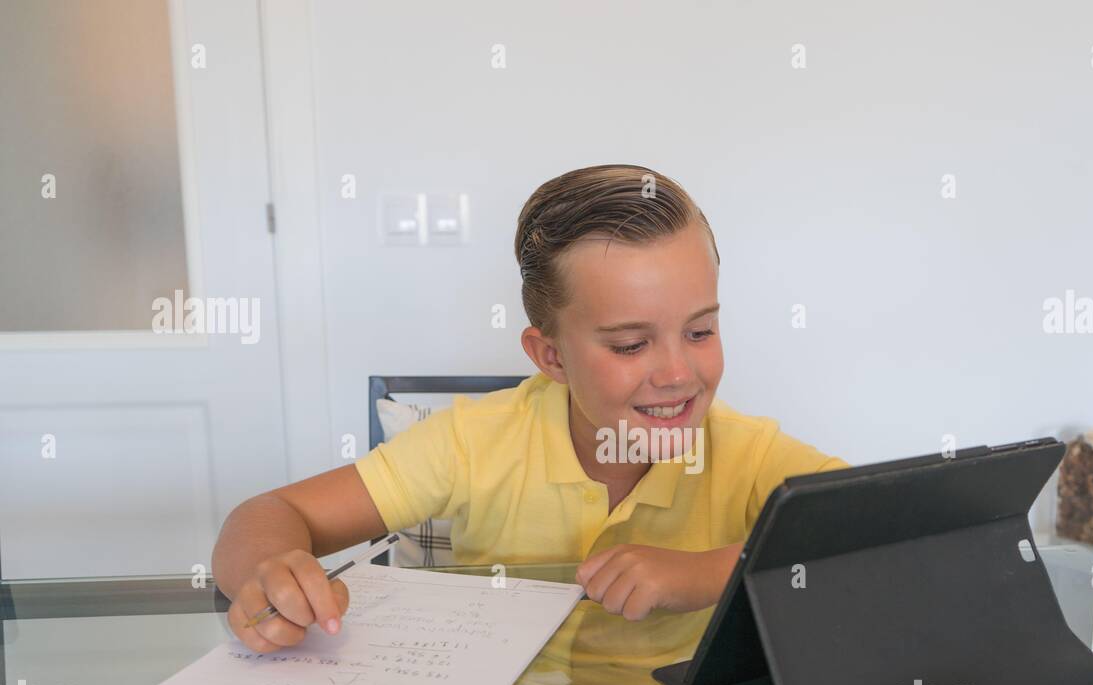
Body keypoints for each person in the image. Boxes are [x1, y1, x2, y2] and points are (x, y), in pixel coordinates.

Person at [212, 163, 848, 651]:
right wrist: (266, 575)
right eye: (631, 344)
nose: (679, 374)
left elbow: (878, 536)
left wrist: (709, 573)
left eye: (701, 332)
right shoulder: (473, 440)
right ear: (551, 358)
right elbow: (271, 512)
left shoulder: (745, 449)